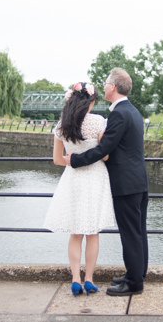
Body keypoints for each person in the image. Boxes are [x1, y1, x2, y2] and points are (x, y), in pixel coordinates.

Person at [62, 68, 149, 297]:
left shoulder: (120, 114)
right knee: (138, 231)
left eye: (106, 83)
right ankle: (136, 273)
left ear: (113, 87)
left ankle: (134, 283)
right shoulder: (133, 111)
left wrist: (75, 160)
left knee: (130, 233)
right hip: (138, 180)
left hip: (126, 184)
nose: (104, 85)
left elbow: (103, 149)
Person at [43, 81, 115, 297]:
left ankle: (75, 280)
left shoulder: (61, 125)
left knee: (76, 233)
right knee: (92, 232)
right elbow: (105, 155)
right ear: (89, 102)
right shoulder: (99, 122)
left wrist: (72, 159)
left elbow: (57, 160)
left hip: (72, 179)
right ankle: (89, 280)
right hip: (94, 178)